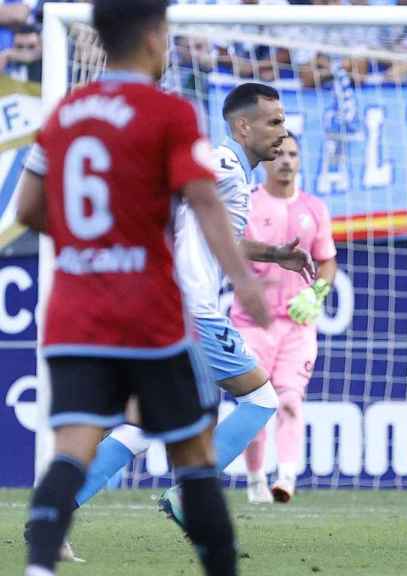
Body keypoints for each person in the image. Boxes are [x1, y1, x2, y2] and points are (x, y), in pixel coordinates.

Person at [15, 1, 271, 574]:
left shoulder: (63, 114)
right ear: (155, 37)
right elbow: (205, 203)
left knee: (73, 448)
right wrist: (242, 281)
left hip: (75, 312)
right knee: (194, 455)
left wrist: (93, 241)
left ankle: (38, 564)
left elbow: (28, 208)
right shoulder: (167, 114)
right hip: (150, 312)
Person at [70, 82, 315, 528]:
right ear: (243, 126)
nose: (283, 132)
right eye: (274, 122)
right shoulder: (221, 163)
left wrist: (277, 254)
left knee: (145, 422)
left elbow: (223, 238)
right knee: (260, 398)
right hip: (188, 311)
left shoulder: (232, 173)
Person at [235, 132, 337, 504]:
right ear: (265, 161)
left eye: (293, 153)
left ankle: (287, 478)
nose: (286, 161)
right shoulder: (246, 204)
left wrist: (316, 294)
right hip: (251, 321)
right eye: (279, 154)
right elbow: (230, 249)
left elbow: (327, 261)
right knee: (256, 404)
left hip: (297, 326)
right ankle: (254, 480)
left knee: (291, 400)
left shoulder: (314, 209)